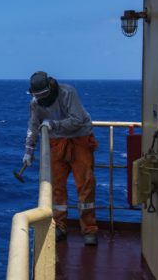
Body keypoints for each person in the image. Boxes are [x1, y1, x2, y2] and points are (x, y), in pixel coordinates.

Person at [22, 71, 99, 246]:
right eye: (37, 96)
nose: (40, 99)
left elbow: (77, 120)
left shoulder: (67, 93)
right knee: (56, 186)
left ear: (50, 87)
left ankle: (89, 229)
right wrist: (29, 150)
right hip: (57, 143)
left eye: (42, 95)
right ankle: (59, 227)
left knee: (85, 184)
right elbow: (33, 126)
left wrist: (54, 124)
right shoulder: (35, 104)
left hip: (80, 140)